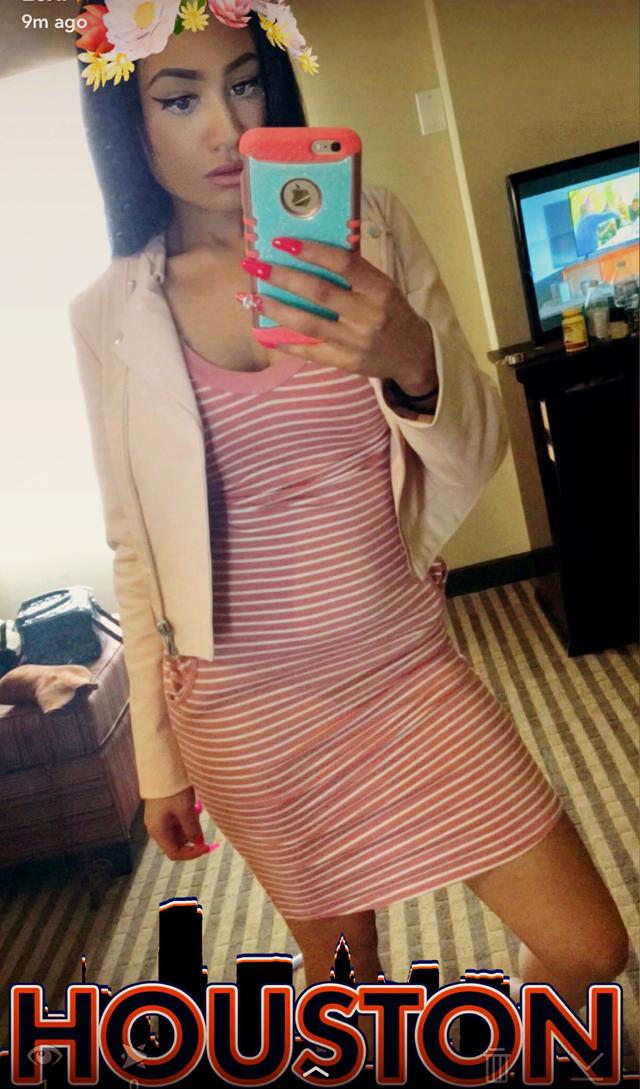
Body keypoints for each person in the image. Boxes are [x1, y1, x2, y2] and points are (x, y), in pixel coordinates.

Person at [69, 3, 628, 1014]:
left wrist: (410, 356)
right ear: (127, 123)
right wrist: (157, 764)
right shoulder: (108, 312)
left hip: (404, 670)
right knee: (347, 983)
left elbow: (480, 451)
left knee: (589, 946)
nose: (227, 127)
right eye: (179, 98)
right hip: (245, 712)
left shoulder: (373, 230)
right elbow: (134, 548)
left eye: (245, 82)